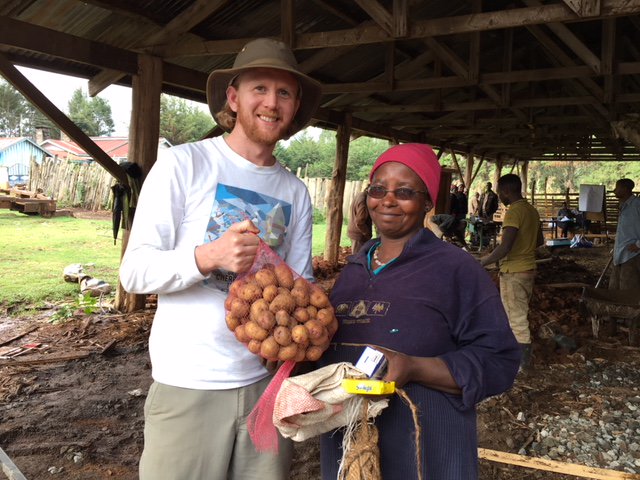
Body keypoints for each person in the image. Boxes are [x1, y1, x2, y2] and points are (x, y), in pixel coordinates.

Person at [119, 38, 322, 480]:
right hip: (189, 383)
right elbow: (134, 272)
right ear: (233, 97)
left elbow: (302, 286)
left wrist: (301, 344)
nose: (271, 102)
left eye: (284, 92)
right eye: (259, 88)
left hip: (265, 384)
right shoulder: (183, 165)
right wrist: (207, 257)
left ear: (295, 106)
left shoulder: (295, 192)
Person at [318, 144, 520, 480]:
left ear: (427, 202)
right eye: (378, 189)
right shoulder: (353, 270)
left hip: (427, 447)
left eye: (405, 192)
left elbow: (499, 360)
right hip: (348, 445)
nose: (388, 200)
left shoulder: (456, 269)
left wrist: (415, 367)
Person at [480, 174, 543, 370]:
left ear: (507, 191)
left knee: (516, 318)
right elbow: (540, 241)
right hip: (528, 268)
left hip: (514, 271)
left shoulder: (514, 212)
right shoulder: (531, 210)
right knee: (518, 313)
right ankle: (514, 357)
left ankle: (521, 365)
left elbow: (505, 246)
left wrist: (482, 262)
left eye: (500, 192)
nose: (499, 196)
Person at [609, 178, 640, 291]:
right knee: (615, 288)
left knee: (629, 288)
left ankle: (630, 308)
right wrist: (616, 248)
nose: (614, 190)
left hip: (632, 253)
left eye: (617, 188)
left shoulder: (637, 204)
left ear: (625, 189)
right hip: (620, 252)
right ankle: (616, 308)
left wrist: (638, 245)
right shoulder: (623, 206)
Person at [347, 189, 372, 254]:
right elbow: (360, 221)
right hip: (359, 235)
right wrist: (367, 233)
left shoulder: (360, 195)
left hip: (355, 232)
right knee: (358, 259)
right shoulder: (364, 200)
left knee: (358, 257)